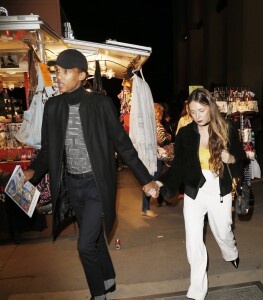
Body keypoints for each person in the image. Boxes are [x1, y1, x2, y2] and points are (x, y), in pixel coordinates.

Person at [22, 49, 160, 300]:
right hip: (73, 186)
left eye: (65, 72)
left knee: (84, 245)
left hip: (97, 185)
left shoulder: (101, 104)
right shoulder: (53, 107)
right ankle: (107, 279)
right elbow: (49, 150)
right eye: (56, 72)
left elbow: (124, 145)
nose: (58, 77)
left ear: (82, 75)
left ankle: (99, 295)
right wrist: (32, 170)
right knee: (93, 237)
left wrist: (146, 180)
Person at [156, 88, 246, 300]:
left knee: (222, 231)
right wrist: (161, 182)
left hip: (218, 188)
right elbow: (178, 166)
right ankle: (197, 290)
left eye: (201, 110)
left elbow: (241, 156)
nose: (197, 116)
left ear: (211, 108)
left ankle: (231, 252)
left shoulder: (226, 128)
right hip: (194, 190)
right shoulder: (186, 133)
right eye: (193, 111)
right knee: (193, 242)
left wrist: (231, 158)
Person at [141, 103, 172, 217]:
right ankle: (145, 208)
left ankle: (160, 199)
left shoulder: (147, 123)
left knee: (156, 178)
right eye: (161, 112)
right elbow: (160, 139)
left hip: (152, 155)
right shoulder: (155, 123)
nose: (162, 114)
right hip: (155, 155)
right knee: (152, 180)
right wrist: (168, 137)